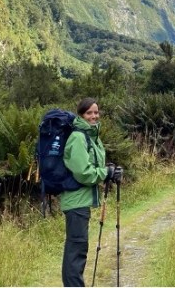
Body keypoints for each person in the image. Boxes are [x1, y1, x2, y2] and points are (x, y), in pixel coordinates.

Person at [61, 97, 123, 287]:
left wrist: (108, 170)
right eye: (89, 113)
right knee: (76, 249)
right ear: (81, 115)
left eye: (96, 112)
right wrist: (105, 173)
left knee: (78, 248)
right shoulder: (78, 137)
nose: (94, 116)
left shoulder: (91, 136)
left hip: (80, 201)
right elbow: (83, 172)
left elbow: (93, 166)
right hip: (75, 201)